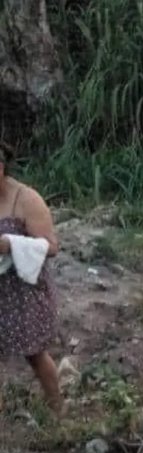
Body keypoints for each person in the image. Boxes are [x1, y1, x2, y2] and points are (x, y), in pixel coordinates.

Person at [0, 141, 62, 414]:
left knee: (35, 354)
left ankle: (57, 409)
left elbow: (51, 246)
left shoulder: (26, 199)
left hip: (25, 291)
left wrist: (11, 243)